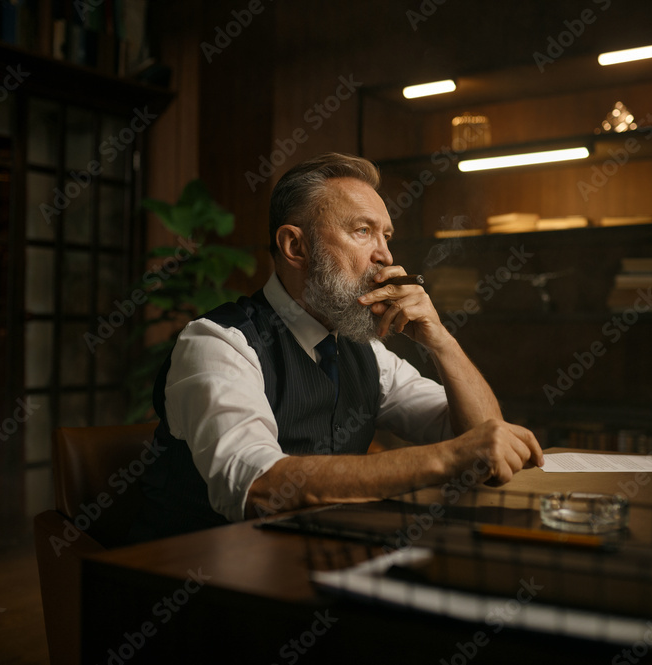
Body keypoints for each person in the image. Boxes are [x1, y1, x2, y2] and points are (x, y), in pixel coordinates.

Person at [129, 152, 543, 541]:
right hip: (198, 578)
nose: (386, 256)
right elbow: (259, 486)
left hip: (315, 561)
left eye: (386, 235)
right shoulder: (219, 344)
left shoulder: (366, 353)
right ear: (296, 247)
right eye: (363, 231)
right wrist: (447, 459)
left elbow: (481, 442)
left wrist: (442, 341)